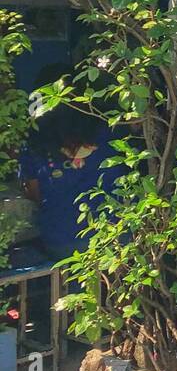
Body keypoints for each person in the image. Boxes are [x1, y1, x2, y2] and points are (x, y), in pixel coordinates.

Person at [19, 101, 114, 262]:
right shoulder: (107, 131)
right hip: (113, 237)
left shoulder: (33, 146)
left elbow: (34, 195)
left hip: (61, 241)